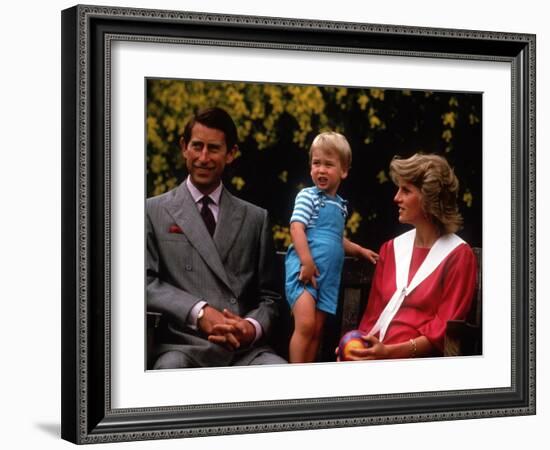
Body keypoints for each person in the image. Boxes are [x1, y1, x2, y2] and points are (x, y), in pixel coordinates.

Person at [146, 107, 286, 368]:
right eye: (197, 146)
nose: (203, 157)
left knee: (282, 376)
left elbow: (270, 298)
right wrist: (198, 312)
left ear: (230, 153)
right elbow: (143, 283)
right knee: (169, 374)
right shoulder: (153, 211)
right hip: (182, 347)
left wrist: (250, 327)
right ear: (183, 147)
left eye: (213, 148)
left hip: (244, 352)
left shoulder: (256, 218)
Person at [339, 153, 477, 361]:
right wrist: (355, 349)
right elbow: (371, 320)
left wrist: (388, 353)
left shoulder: (458, 255)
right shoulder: (390, 249)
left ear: (429, 199)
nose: (396, 198)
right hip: (376, 360)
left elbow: (443, 333)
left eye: (406, 190)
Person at [285, 132, 379, 363]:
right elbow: (296, 228)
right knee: (305, 325)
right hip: (305, 271)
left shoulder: (340, 206)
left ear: (343, 170)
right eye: (316, 163)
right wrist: (306, 262)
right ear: (310, 168)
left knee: (317, 330)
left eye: (329, 164)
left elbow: (337, 239)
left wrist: (358, 250)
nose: (321, 170)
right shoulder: (308, 196)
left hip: (329, 277)